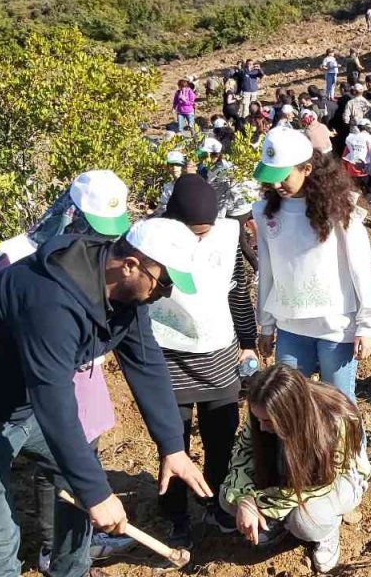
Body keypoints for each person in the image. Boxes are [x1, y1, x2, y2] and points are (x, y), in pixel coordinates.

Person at [0, 213, 209, 577]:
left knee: (82, 475)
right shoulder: (51, 300)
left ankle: (69, 571)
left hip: (21, 407)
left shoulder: (124, 295)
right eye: (163, 282)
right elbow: (53, 400)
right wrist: (97, 495)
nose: (164, 293)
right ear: (130, 265)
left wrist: (172, 445)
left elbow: (146, 361)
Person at [0, 170, 142, 570]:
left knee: (79, 454)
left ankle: (75, 547)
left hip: (82, 372)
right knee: (51, 454)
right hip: (35, 379)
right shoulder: (17, 257)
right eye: (93, 227)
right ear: (70, 211)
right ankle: (49, 543)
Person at [150, 175, 256, 548]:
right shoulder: (150, 240)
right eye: (192, 232)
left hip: (218, 356)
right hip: (167, 356)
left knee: (222, 439)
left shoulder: (227, 237)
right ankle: (176, 515)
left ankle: (217, 504)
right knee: (173, 443)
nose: (199, 239)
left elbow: (238, 294)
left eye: (204, 231)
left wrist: (248, 342)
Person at [252, 126, 371, 404]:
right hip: (290, 326)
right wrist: (266, 326)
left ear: (306, 169)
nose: (275, 185)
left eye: (283, 177)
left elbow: (362, 268)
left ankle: (353, 450)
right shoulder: (264, 213)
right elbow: (268, 271)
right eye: (270, 178)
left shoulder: (339, 209)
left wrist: (366, 325)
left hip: (336, 326)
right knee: (288, 407)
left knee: (339, 404)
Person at [219, 366, 371, 573]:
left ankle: (326, 531)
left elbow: (323, 483)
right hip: (288, 473)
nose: (261, 427)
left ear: (291, 413)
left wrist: (258, 502)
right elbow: (243, 451)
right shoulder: (262, 408)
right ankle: (280, 520)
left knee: (305, 522)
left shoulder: (335, 419)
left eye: (268, 421)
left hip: (336, 481)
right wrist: (244, 498)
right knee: (227, 499)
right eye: (258, 419)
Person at [156, 151, 188, 215]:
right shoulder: (168, 187)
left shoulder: (191, 184)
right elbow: (162, 208)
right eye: (172, 165)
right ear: (167, 167)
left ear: (183, 167)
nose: (174, 168)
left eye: (178, 165)